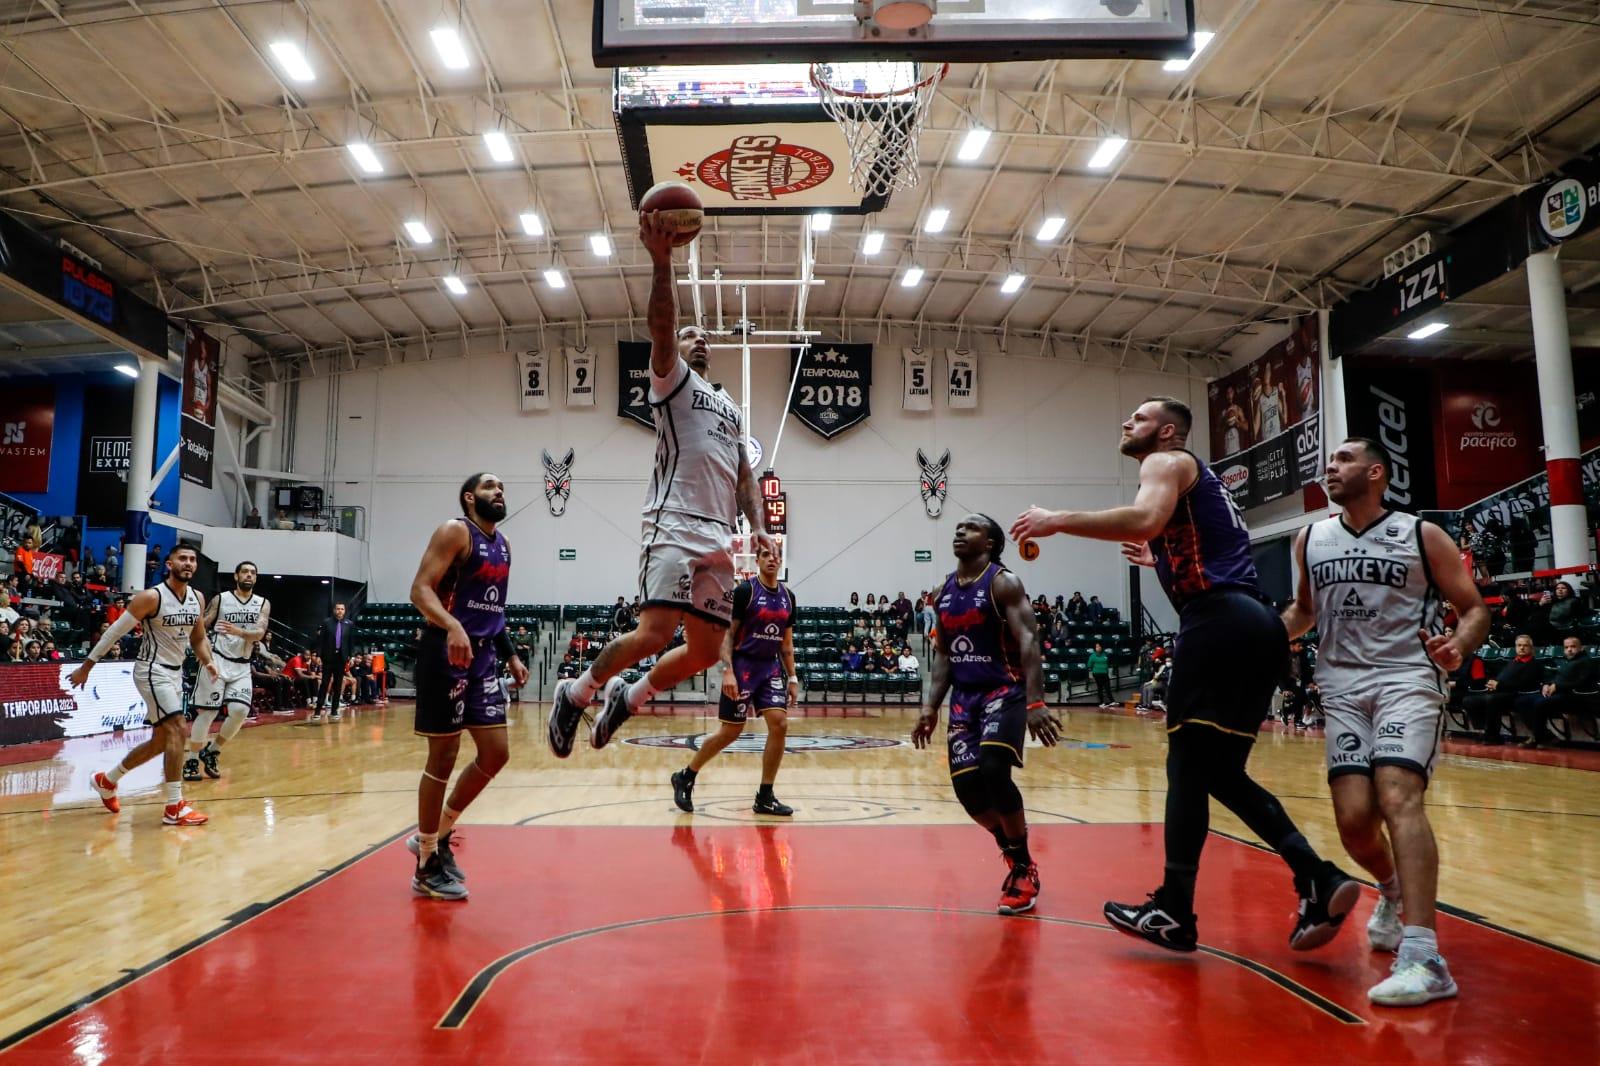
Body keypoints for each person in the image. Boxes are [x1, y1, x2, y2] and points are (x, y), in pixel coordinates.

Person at [1011, 397, 1356, 953]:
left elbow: (1146, 519)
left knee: (1187, 767)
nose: (1126, 423)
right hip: (1259, 625)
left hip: (1218, 621)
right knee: (1217, 774)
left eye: (1139, 418)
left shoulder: (1165, 462)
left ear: (1167, 432)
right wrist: (1163, 560)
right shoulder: (1206, 485)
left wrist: (1057, 521)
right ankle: (1317, 875)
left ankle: (1174, 908)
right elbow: (1200, 542)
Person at [548, 211, 775, 756]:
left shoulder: (731, 409)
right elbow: (661, 323)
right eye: (690, 335)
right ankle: (576, 694)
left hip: (722, 535)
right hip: (673, 521)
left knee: (702, 651)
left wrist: (760, 529)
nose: (698, 342)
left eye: (704, 338)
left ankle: (630, 697)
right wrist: (661, 260)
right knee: (654, 633)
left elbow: (745, 476)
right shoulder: (671, 381)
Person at [1285, 436, 1489, 1007]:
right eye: (1329, 461)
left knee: (1398, 797)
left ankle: (1425, 957)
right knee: (1353, 823)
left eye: (1344, 460)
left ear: (1377, 473)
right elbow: (1304, 611)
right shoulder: (1309, 537)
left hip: (1407, 679)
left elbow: (1472, 609)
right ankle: (1394, 892)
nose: (1331, 467)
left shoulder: (1422, 535)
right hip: (1341, 687)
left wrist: (1457, 646)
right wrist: (1253, 639)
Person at [914, 515, 1060, 915]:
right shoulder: (943, 590)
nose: (960, 531)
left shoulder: (1003, 583)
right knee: (969, 794)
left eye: (972, 527)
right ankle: (1016, 856)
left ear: (992, 542)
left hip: (1004, 689)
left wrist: (1035, 702)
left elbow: (1030, 639)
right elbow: (944, 654)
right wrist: (929, 707)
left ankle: (1023, 867)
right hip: (964, 697)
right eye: (959, 527)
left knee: (995, 770)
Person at [406, 472, 527, 900]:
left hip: (483, 655)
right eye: (492, 485)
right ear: (469, 496)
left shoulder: (504, 545)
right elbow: (420, 590)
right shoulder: (456, 532)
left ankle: (440, 832)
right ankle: (425, 862)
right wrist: (453, 625)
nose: (500, 491)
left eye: (503, 486)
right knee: (444, 755)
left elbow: (494, 609)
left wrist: (510, 654)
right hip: (444, 649)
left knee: (496, 753)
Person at [69, 542, 217, 826]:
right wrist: (87, 666)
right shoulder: (151, 597)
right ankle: (174, 806)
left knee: (161, 741)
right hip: (151, 670)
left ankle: (107, 780)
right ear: (169, 564)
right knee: (178, 729)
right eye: (182, 558)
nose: (188, 563)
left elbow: (198, 638)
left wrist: (207, 661)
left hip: (174, 673)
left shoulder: (197, 598)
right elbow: (113, 633)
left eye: (192, 559)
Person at [671, 542, 798, 817]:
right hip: (743, 667)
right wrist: (727, 670)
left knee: (780, 724)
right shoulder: (745, 592)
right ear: (758, 560)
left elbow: (786, 643)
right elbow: (728, 635)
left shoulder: (789, 597)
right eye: (766, 555)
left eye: (776, 556)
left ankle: (765, 795)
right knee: (730, 732)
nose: (771, 560)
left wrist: (793, 677)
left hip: (771, 669)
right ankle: (686, 775)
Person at [184, 561, 271, 781]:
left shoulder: (262, 603)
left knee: (240, 711)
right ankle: (192, 759)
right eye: (245, 571)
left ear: (256, 578)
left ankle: (212, 750)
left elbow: (259, 633)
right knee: (208, 712)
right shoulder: (221, 599)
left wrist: (239, 631)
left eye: (253, 572)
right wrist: (198, 645)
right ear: (236, 576)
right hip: (218, 661)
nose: (249, 575)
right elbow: (202, 624)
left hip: (242, 665)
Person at [1516, 634, 1596, 748]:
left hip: (1576, 697)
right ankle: (1546, 736)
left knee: (1540, 704)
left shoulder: (1586, 662)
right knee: (1522, 701)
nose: (1569, 650)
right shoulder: (1566, 662)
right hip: (1560, 695)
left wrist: (1558, 686)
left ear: (1581, 648)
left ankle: (1538, 738)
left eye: (1573, 646)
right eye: (1566, 647)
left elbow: (1581, 683)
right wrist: (1546, 685)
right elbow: (1554, 678)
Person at [1461, 634, 1540, 745]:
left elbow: (1521, 684)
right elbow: (1501, 677)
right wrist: (1492, 682)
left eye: (1525, 645)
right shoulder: (1513, 661)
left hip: (1517, 694)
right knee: (1469, 700)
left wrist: (1498, 685)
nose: (1522, 648)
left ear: (1531, 648)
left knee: (1492, 700)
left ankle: (1492, 736)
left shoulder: (1533, 664)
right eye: (1519, 645)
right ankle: (1482, 729)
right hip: (1502, 691)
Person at [311, 603, 355, 722]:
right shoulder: (327, 622)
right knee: (325, 683)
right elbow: (321, 641)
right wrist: (319, 655)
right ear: (334, 610)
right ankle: (318, 710)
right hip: (328, 657)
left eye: (342, 609)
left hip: (341, 658)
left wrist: (352, 656)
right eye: (338, 609)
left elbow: (351, 642)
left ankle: (334, 710)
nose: (340, 611)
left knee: (338, 684)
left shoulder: (349, 624)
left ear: (345, 611)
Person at [1087, 642, 1112, 706]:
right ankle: (1101, 702)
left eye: (1099, 646)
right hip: (1097, 674)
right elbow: (1089, 665)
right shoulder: (1092, 656)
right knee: (1100, 687)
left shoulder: (1105, 655)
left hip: (1105, 673)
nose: (1098, 648)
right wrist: (1091, 674)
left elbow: (1108, 664)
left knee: (1108, 687)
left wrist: (1108, 672)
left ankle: (1112, 701)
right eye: (1097, 647)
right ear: (1095, 648)